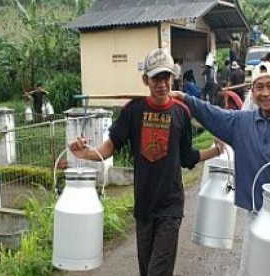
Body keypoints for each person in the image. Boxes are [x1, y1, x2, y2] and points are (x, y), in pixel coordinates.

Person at [69, 48, 224, 276]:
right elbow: (110, 146)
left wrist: (214, 151)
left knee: (157, 272)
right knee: (147, 270)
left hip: (170, 207)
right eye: (155, 78)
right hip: (143, 207)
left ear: (173, 78)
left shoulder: (181, 112)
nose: (161, 83)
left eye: (166, 77)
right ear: (146, 80)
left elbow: (187, 157)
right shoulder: (133, 110)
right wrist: (86, 154)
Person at [171, 61, 270, 275]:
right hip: (258, 216)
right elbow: (212, 114)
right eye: (259, 87)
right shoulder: (240, 123)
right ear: (252, 92)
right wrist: (186, 99)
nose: (265, 93)